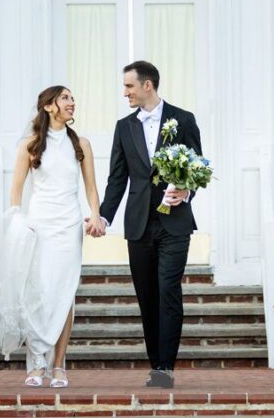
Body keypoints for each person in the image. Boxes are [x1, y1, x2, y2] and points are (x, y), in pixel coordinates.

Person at [86, 61, 203, 388]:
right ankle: (156, 364)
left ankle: (164, 369)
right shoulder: (124, 127)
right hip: (138, 225)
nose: (125, 93)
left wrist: (187, 189)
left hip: (175, 223)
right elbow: (117, 178)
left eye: (129, 87)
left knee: (168, 291)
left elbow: (198, 165)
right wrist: (104, 216)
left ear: (147, 85)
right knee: (147, 295)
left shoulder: (184, 119)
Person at [0, 86, 102, 388]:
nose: (72, 102)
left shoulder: (81, 144)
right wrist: (18, 220)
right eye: (66, 98)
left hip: (69, 227)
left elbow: (91, 188)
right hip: (39, 225)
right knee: (38, 292)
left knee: (64, 292)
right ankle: (36, 362)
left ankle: (59, 364)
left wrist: (95, 214)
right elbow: (16, 190)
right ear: (48, 106)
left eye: (72, 98)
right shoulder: (30, 145)